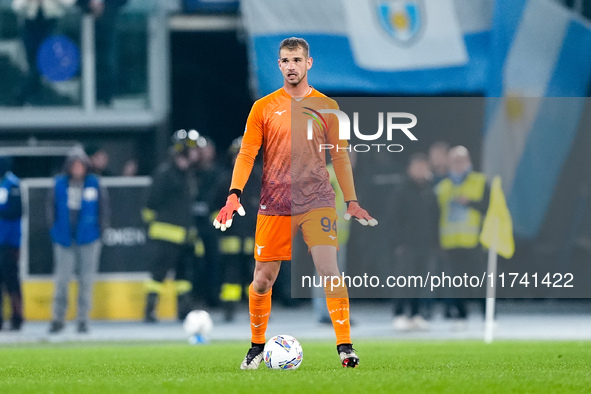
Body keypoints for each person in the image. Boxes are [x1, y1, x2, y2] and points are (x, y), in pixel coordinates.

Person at [213, 37, 377, 369]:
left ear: (308, 63)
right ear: (279, 65)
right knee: (262, 279)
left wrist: (352, 199)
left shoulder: (327, 106)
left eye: (297, 60)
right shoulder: (263, 107)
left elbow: (340, 157)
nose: (291, 66)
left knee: (329, 270)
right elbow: (247, 153)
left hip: (316, 201)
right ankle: (256, 347)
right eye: (285, 61)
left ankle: (345, 346)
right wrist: (234, 193)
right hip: (275, 202)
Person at [47, 148, 110, 333]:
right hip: (64, 238)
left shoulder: (94, 183)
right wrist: (54, 229)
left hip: (88, 238)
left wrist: (100, 232)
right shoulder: (59, 184)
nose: (77, 168)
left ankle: (83, 319)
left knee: (86, 281)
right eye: (74, 164)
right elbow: (50, 208)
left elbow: (104, 209)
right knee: (62, 281)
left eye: (80, 164)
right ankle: (58, 318)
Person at [142, 132, 197, 323]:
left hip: (183, 236)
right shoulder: (165, 173)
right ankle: (149, 310)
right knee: (158, 275)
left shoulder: (187, 176)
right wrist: (154, 227)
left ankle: (184, 310)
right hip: (165, 235)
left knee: (182, 276)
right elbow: (151, 203)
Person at [435, 146, 489, 329]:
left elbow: (490, 208)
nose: (457, 165)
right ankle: (461, 316)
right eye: (453, 162)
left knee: (480, 282)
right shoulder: (443, 187)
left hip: (473, 241)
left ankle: (489, 316)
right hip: (450, 243)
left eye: (460, 161)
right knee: (456, 284)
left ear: (468, 162)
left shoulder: (480, 182)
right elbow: (436, 216)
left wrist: (470, 203)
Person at [391, 153, 439, 331]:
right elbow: (394, 219)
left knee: (421, 281)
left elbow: (435, 218)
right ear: (409, 169)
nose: (420, 170)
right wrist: (398, 243)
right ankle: (399, 314)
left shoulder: (430, 191)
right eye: (417, 166)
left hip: (426, 245)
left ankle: (416, 314)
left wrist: (435, 242)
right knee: (404, 281)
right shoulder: (401, 190)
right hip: (406, 245)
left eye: (423, 166)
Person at [12, 0, 76, 105]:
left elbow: (68, 2)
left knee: (42, 60)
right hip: (30, 22)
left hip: (52, 20)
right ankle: (34, 97)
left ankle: (21, 95)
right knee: (32, 61)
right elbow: (17, 5)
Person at [76, 0, 127, 105]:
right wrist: (87, 4)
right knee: (85, 60)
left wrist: (106, 6)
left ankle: (106, 98)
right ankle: (87, 98)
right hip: (83, 17)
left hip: (110, 19)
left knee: (108, 59)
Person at [0, 157, 24, 331]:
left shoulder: (13, 184)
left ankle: (17, 317)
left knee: (12, 281)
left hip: (10, 242)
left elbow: (16, 210)